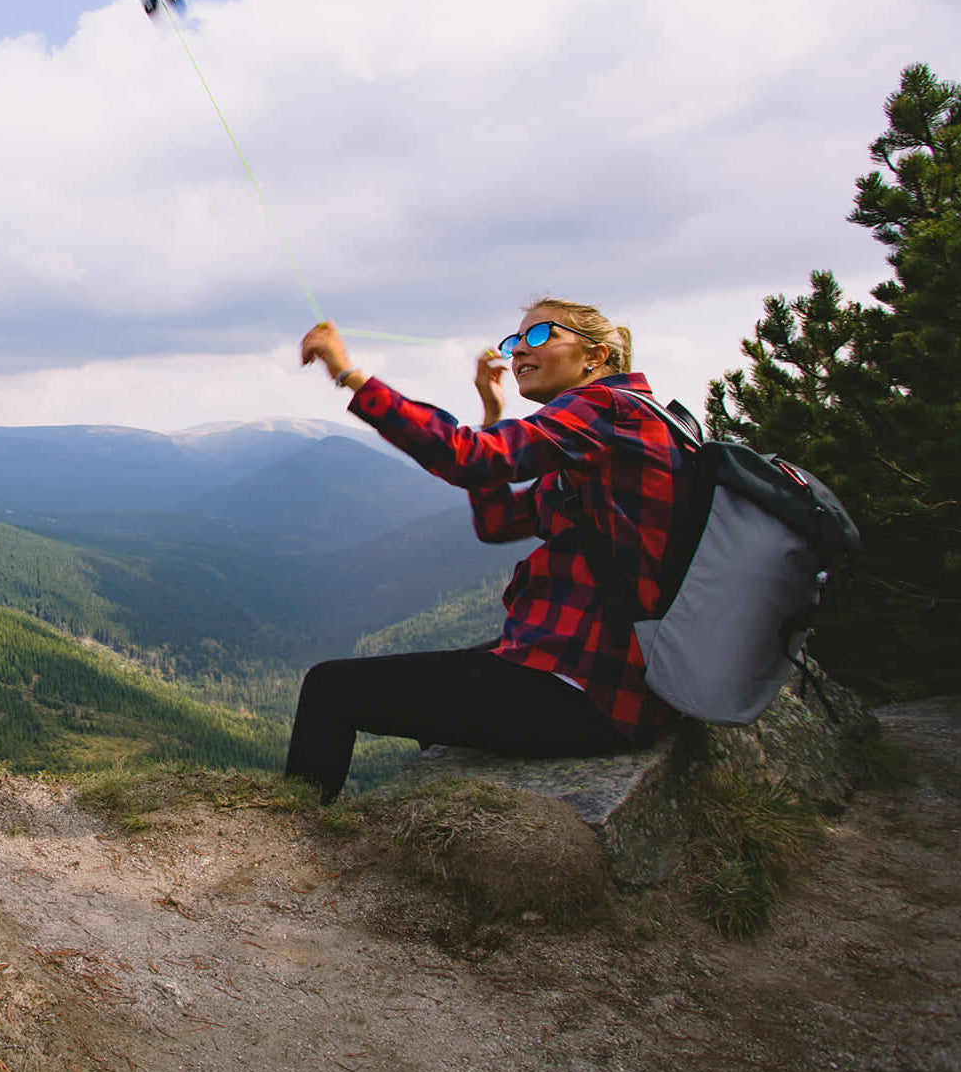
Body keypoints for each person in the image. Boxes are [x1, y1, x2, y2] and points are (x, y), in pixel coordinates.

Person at [285, 297, 694, 802]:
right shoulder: (611, 433)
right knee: (441, 681)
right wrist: (493, 415)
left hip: (589, 689)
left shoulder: (608, 409)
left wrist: (349, 374)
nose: (520, 349)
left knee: (331, 689)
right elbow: (500, 524)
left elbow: (466, 458)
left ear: (596, 357)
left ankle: (291, 841)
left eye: (541, 335)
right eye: (515, 340)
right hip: (594, 672)